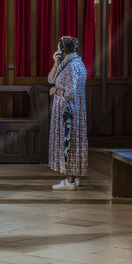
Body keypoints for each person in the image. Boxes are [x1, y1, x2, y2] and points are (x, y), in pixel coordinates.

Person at [47, 35, 88, 190]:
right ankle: (74, 177)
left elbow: (69, 93)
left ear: (62, 49)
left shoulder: (72, 66)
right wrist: (55, 63)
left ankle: (70, 181)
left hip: (68, 112)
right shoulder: (71, 63)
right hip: (73, 111)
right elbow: (51, 79)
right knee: (73, 142)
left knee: (69, 142)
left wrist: (55, 90)